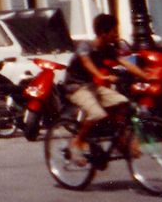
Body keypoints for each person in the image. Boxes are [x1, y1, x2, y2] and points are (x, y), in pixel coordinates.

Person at [64, 13, 149, 161]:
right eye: (114, 31)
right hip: (75, 87)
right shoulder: (86, 46)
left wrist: (146, 76)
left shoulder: (108, 49)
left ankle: (119, 141)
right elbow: (86, 62)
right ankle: (77, 141)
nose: (117, 34)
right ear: (103, 33)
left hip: (92, 86)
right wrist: (101, 76)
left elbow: (125, 62)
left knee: (123, 103)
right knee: (97, 114)